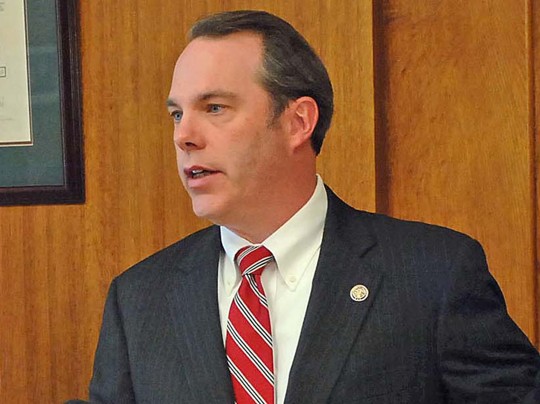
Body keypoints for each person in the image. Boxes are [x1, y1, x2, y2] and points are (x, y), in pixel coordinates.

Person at [80, 10, 540, 404]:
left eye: (215, 108)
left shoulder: (432, 274)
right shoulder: (140, 298)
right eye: (177, 114)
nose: (184, 136)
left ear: (298, 120)